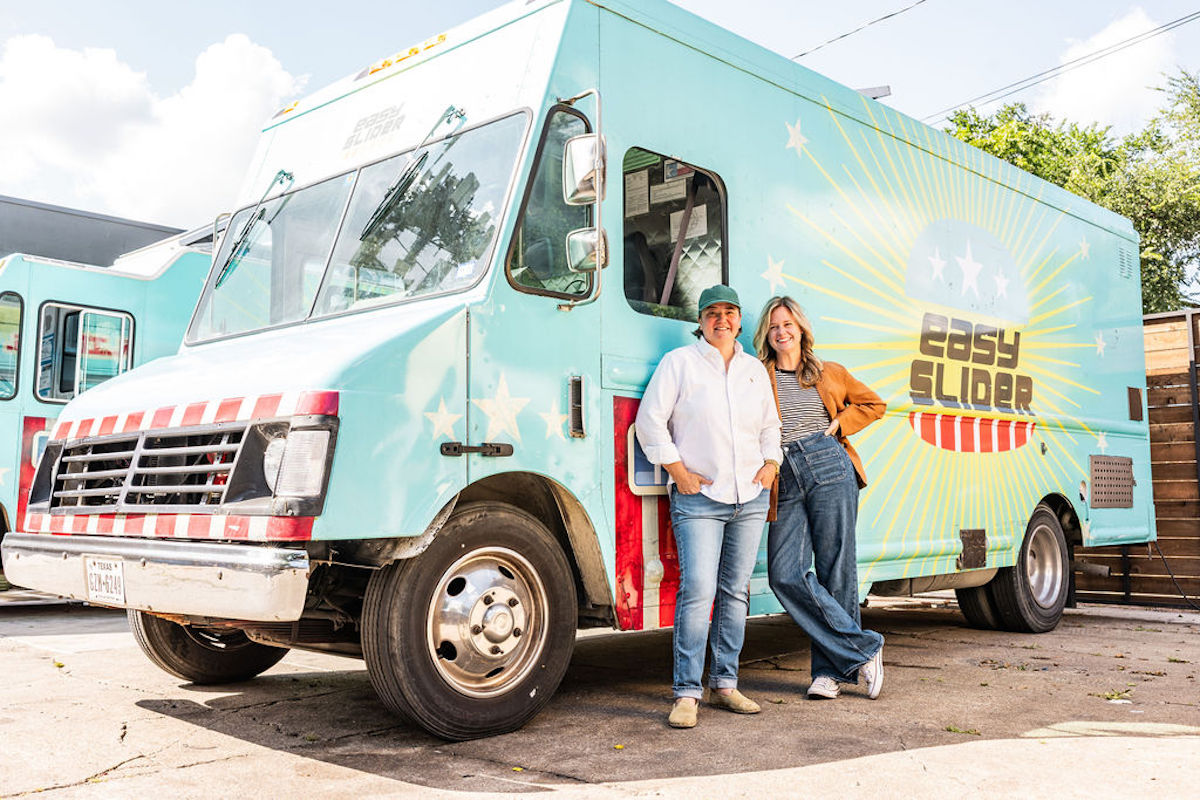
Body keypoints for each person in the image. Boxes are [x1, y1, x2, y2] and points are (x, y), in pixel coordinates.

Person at [636, 285, 782, 729]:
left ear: (740, 320)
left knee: (735, 592)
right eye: (712, 313)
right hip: (699, 499)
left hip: (750, 497)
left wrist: (772, 464)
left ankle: (725, 684)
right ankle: (686, 693)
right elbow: (649, 421)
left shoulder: (754, 370)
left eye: (729, 312)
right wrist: (678, 471)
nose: (722, 319)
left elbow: (770, 426)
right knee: (698, 591)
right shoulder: (679, 363)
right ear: (700, 322)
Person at [753, 295, 887, 700]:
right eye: (774, 326)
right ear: (766, 334)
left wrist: (838, 425)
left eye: (787, 324)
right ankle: (863, 648)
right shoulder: (758, 374)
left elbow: (874, 404)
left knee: (835, 568)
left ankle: (829, 674)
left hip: (828, 462)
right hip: (784, 473)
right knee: (784, 573)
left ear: (800, 329)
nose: (781, 332)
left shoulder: (829, 372)